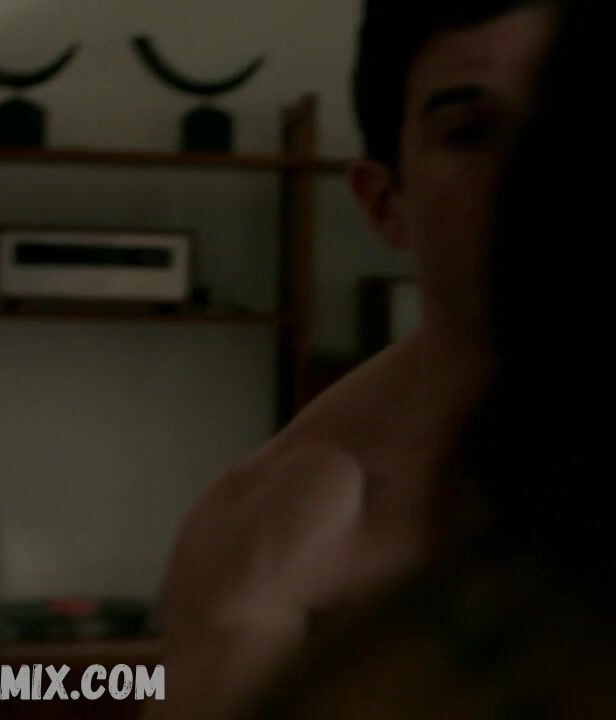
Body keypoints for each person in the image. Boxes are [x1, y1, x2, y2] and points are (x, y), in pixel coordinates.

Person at [146, 1, 562, 718]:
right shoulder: (297, 535)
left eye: (572, 122)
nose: (532, 175)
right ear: (384, 203)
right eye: (471, 133)